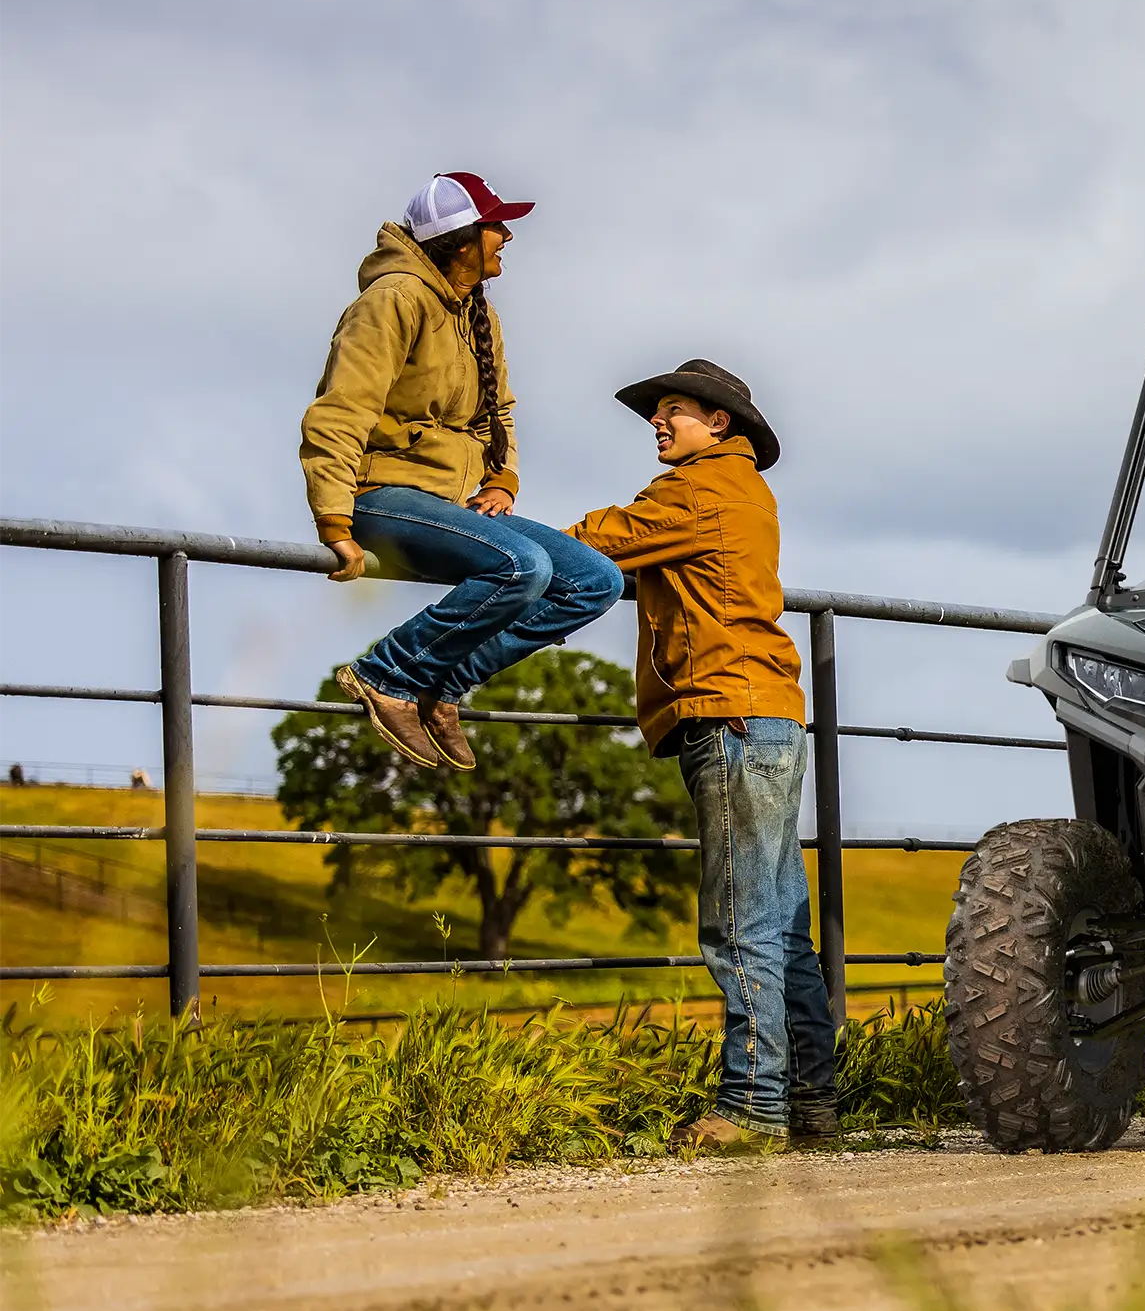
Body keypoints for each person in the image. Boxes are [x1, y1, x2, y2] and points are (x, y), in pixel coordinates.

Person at [569, 360, 834, 1152]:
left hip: (728, 714)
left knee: (738, 922)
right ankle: (811, 1099)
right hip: (772, 712)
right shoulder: (746, 488)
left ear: (718, 422)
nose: (657, 421)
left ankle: (752, 1106)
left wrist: (509, 547)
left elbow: (601, 541)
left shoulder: (697, 489)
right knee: (782, 924)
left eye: (673, 409)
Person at [299, 173, 623, 770]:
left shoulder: (480, 314)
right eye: (496, 226)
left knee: (596, 581)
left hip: (446, 506)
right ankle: (387, 674)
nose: (507, 236)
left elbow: (498, 412)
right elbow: (341, 410)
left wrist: (502, 478)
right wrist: (334, 519)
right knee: (524, 565)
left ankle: (442, 687)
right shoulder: (393, 301)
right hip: (378, 494)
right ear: (461, 239)